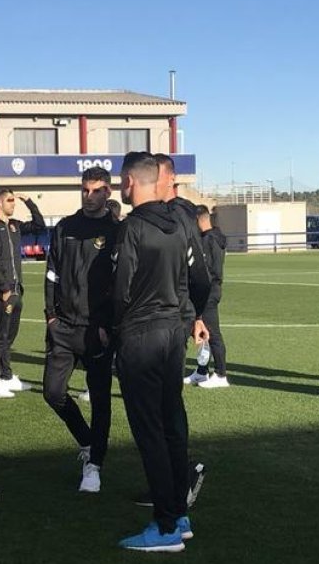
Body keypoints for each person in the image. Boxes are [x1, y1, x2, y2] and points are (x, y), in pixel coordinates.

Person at [114, 152, 212, 553]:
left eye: (122, 181)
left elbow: (120, 290)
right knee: (172, 421)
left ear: (132, 183)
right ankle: (178, 515)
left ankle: (166, 526)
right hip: (174, 333)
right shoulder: (182, 223)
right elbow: (201, 279)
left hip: (142, 336)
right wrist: (191, 316)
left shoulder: (133, 227)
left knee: (150, 430)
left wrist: (115, 329)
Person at [42, 167, 118, 493]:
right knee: (53, 392)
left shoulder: (117, 231)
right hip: (63, 326)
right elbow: (51, 273)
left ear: (108, 193)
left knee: (101, 399)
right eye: (85, 190)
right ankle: (86, 441)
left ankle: (95, 465)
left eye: (96, 191)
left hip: (96, 330)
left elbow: (121, 284)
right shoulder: (65, 227)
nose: (90, 197)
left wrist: (108, 327)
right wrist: (50, 316)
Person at [0, 188, 46, 397]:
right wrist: (3, 288)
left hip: (18, 288)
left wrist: (29, 202)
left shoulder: (14, 225)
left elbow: (39, 226)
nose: (13, 203)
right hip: (4, 290)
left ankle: (6, 376)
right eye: (9, 200)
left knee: (10, 334)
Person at [186, 205, 229, 388]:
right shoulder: (208, 238)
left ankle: (220, 374)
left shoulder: (210, 241)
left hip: (209, 292)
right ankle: (202, 371)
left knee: (213, 333)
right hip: (205, 291)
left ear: (199, 220)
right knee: (201, 331)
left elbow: (210, 271)